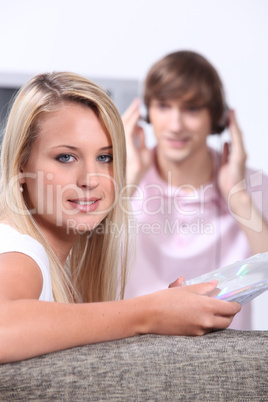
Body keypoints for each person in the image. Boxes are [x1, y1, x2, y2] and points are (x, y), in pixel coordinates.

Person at [0, 71, 241, 363]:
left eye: (105, 157)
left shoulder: (49, 261)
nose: (91, 179)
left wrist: (168, 310)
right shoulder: (20, 251)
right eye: (66, 157)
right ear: (20, 167)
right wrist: (150, 312)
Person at [122, 50, 268, 330]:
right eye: (164, 106)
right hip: (136, 352)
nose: (175, 126)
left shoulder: (251, 186)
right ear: (146, 114)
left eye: (192, 109)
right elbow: (81, 264)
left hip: (221, 362)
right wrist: (128, 180)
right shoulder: (122, 184)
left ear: (218, 119)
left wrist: (236, 196)